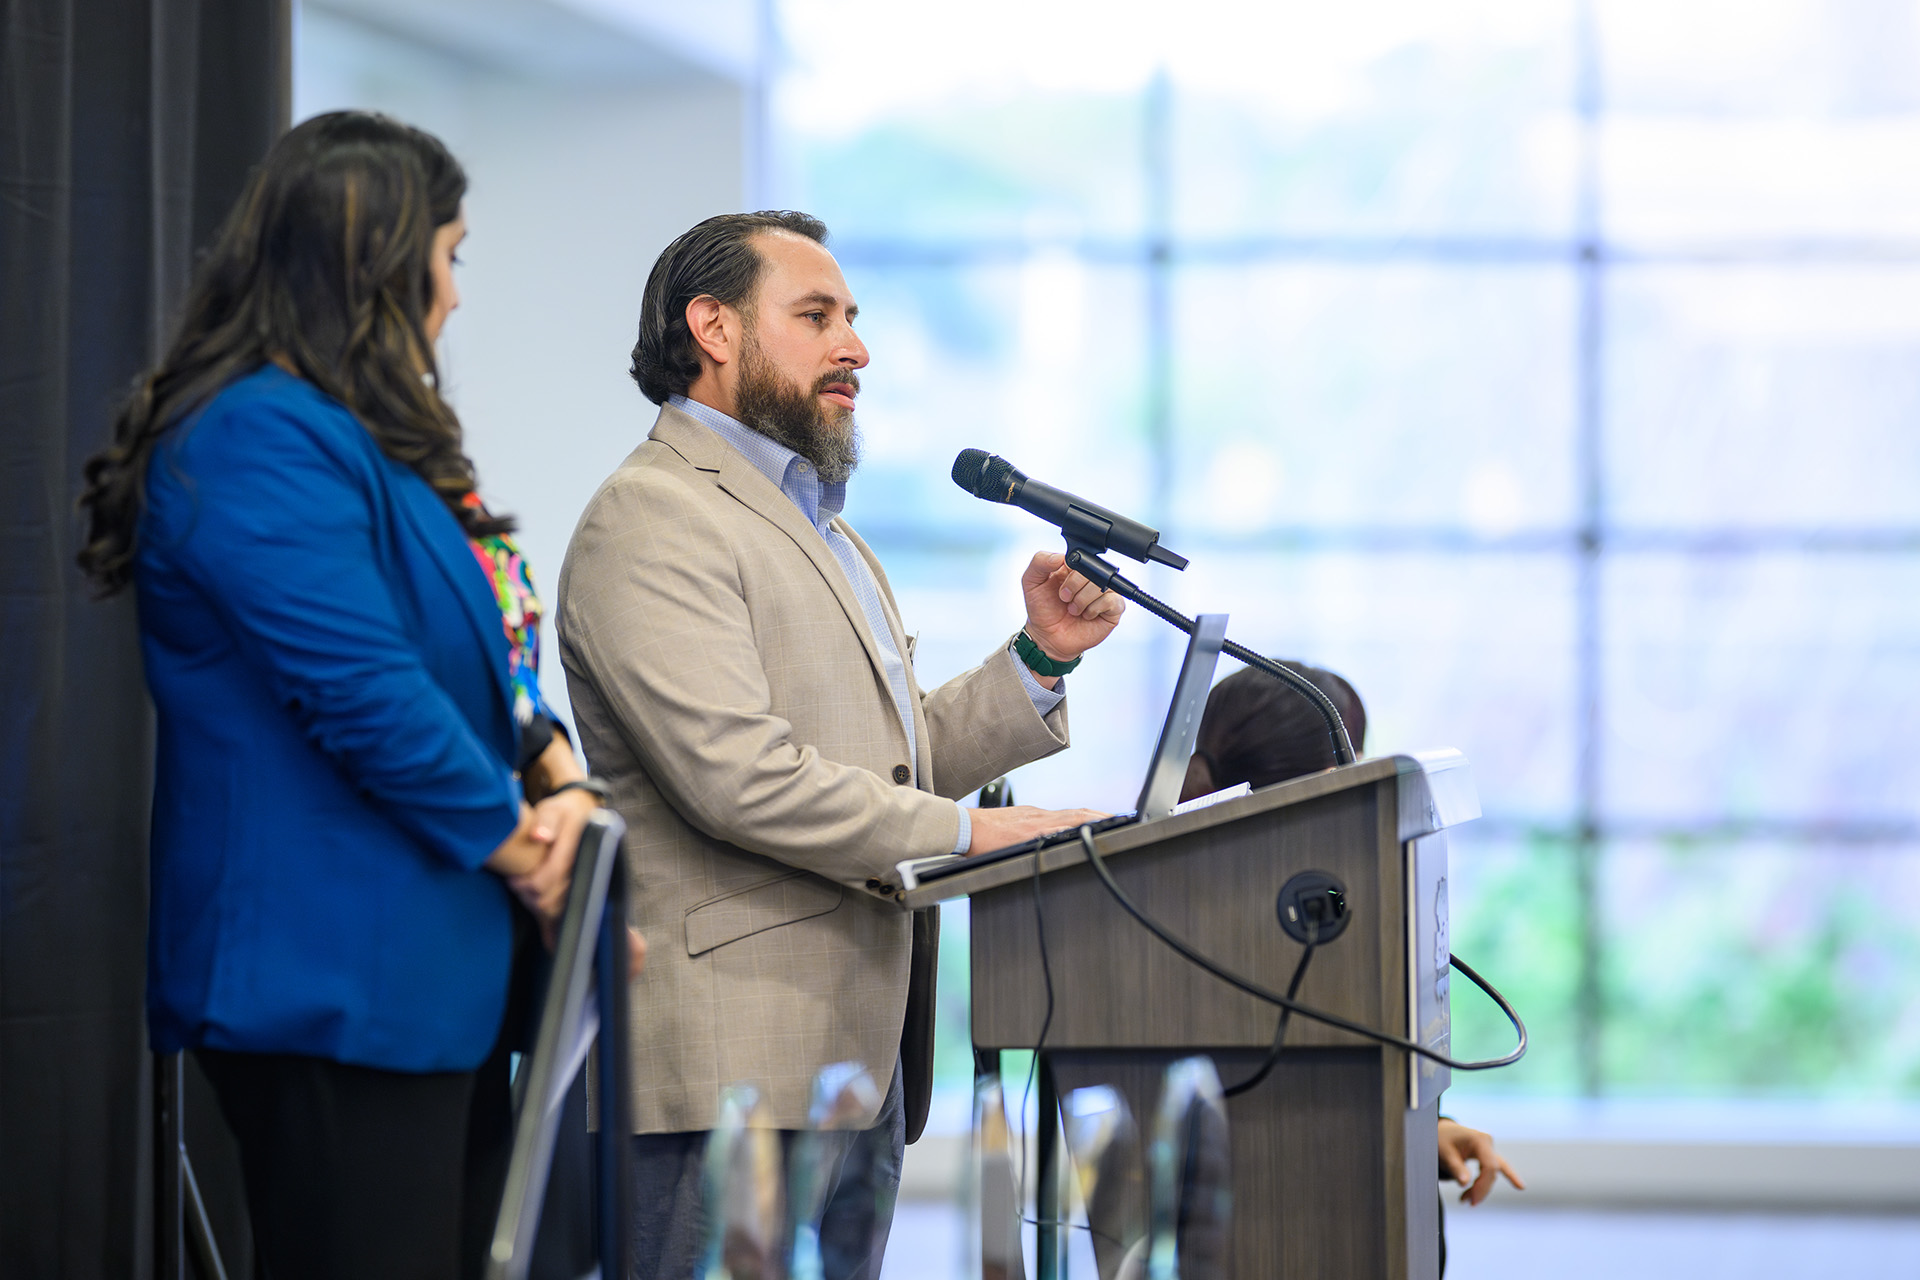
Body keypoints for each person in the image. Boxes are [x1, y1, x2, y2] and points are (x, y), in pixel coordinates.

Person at [77, 111, 609, 1280]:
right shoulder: (252, 433)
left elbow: (492, 657)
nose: (458, 295)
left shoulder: (383, 445)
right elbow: (364, 690)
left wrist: (557, 773)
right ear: (374, 256)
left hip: (437, 982)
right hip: (332, 981)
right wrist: (525, 846)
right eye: (451, 254)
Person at [557, 210, 1122, 1279]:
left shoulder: (824, 524)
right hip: (729, 1064)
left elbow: (888, 752)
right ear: (712, 327)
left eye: (852, 317)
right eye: (816, 315)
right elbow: (741, 780)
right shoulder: (653, 517)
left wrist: (1039, 661)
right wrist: (977, 830)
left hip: (852, 1055)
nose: (854, 345)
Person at [1178, 661, 1524, 1274]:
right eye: (1351, 759)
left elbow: (1354, 1068)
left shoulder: (1331, 903)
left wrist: (1427, 1127)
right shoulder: (1219, 927)